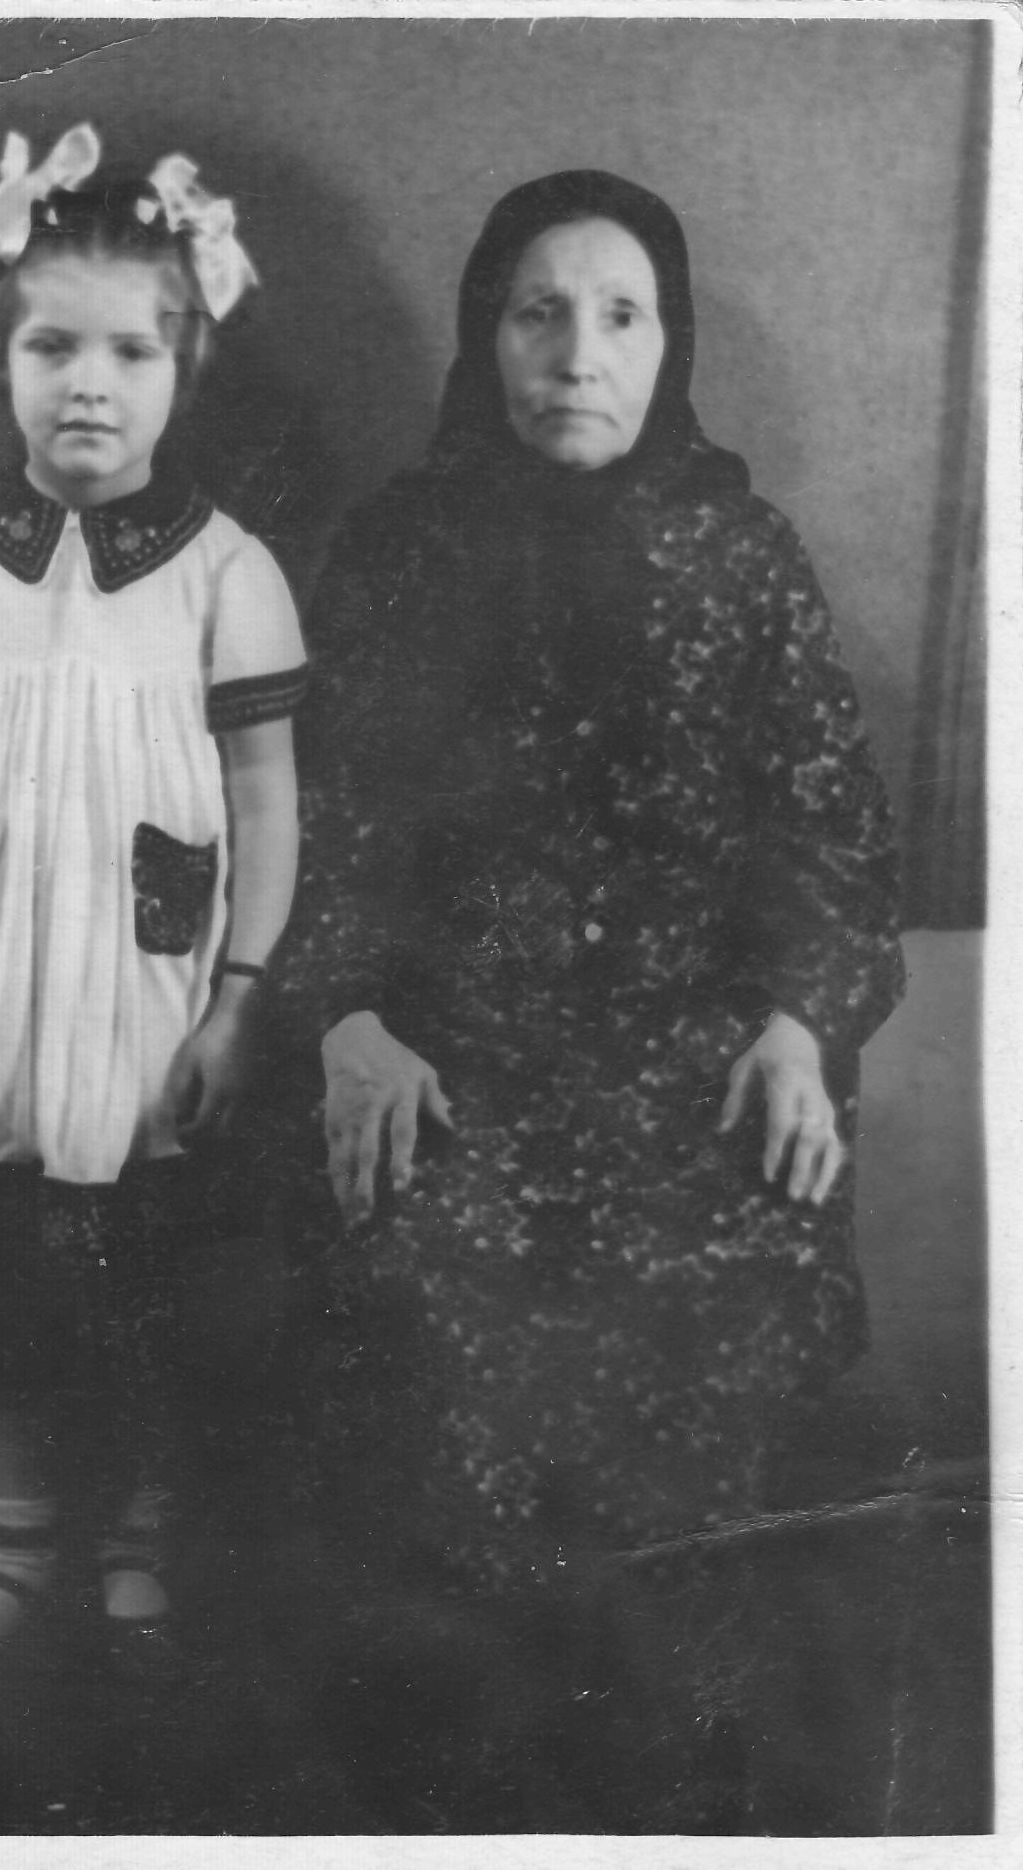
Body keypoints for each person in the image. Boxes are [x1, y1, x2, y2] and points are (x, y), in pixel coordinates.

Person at [275, 169, 905, 1601]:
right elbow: (324, 814)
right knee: (430, 1324)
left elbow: (831, 828)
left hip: (692, 1052)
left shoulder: (742, 555)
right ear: (484, 336)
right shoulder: (397, 551)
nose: (576, 355)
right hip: (450, 1048)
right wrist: (346, 1023)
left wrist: (801, 1026)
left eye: (621, 316)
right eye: (537, 314)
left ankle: (661, 1648)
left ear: (669, 344)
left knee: (714, 1318)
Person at [0, 126, 306, 1644]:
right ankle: (20, 1546)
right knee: (6, 1286)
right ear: (0, 356)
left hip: (150, 1001)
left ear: (187, 367)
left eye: (130, 350)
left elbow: (265, 800)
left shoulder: (225, 575)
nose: (89, 384)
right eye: (52, 345)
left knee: (147, 1291)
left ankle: (137, 1536)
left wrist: (237, 1001)